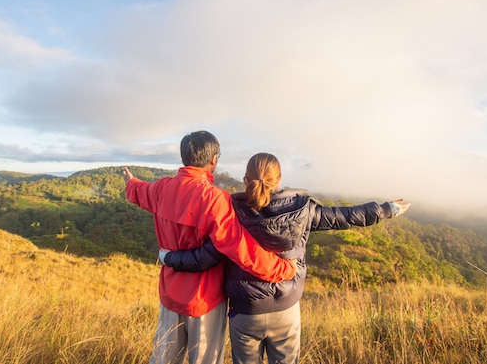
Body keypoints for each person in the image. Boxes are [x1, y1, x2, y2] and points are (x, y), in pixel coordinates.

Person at [162, 152, 410, 364]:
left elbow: (206, 257)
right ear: (278, 180)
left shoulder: (230, 213)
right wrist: (386, 209)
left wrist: (169, 258)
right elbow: (344, 216)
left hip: (244, 313)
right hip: (286, 308)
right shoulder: (302, 210)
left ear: (246, 179)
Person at [122, 132, 297, 364]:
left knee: (163, 360)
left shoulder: (161, 189)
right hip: (204, 301)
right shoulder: (215, 199)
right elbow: (241, 249)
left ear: (184, 157)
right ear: (214, 159)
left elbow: (139, 191)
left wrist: (131, 182)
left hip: (169, 295)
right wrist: (283, 270)